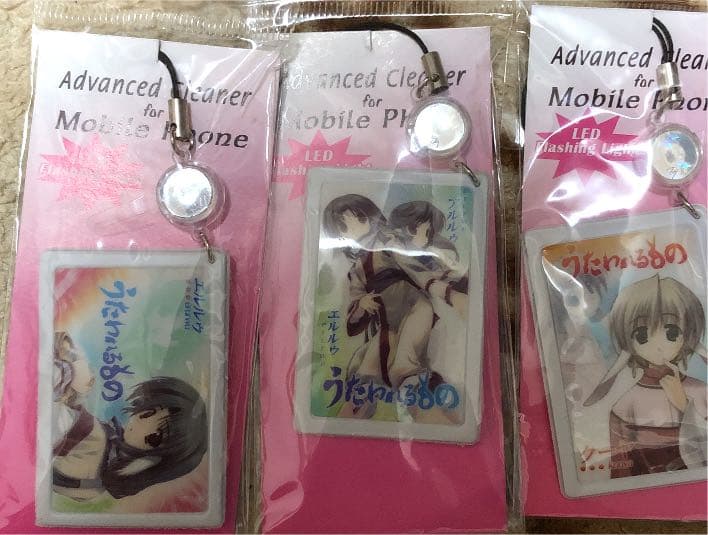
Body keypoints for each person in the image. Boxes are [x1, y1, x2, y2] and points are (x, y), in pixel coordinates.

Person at [52, 332, 208, 500]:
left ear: (152, 461)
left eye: (154, 438)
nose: (141, 420)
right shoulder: (98, 486)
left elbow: (48, 418)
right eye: (149, 411)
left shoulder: (96, 437)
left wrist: (71, 372)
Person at [584, 275, 707, 478]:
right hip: (645, 492)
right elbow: (621, 472)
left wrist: (685, 405)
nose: (658, 346)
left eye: (671, 332)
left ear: (688, 335)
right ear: (628, 341)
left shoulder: (702, 392)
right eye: (641, 335)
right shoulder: (626, 403)